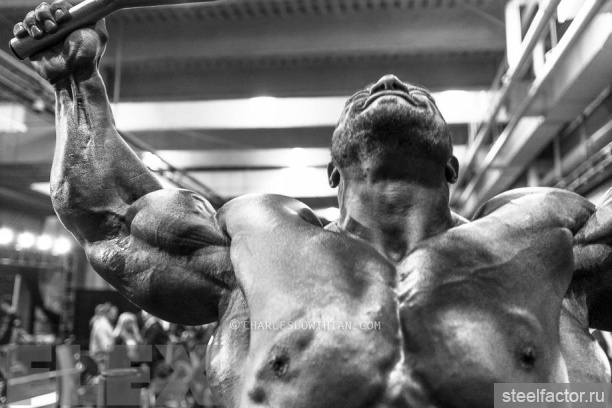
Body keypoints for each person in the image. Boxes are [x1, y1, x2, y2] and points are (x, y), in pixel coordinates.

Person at [13, 2, 612, 406]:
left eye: (417, 95)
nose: (387, 83)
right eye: (361, 98)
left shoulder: (538, 241)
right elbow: (111, 213)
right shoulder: (263, 247)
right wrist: (75, 81)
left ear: (451, 167)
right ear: (332, 173)